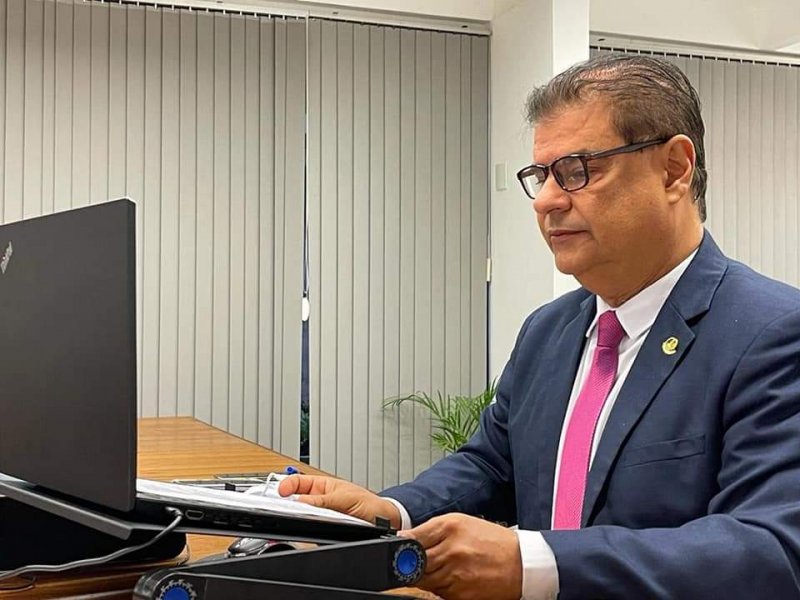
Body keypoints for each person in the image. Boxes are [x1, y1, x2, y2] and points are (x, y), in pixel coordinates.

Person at [278, 54, 800, 599]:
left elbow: (773, 549)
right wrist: (391, 511)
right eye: (541, 176)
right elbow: (492, 465)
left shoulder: (774, 334)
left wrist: (534, 564)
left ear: (673, 169)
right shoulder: (549, 330)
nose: (547, 200)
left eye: (577, 170)